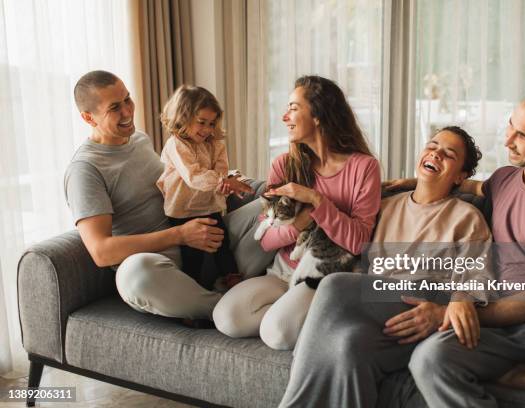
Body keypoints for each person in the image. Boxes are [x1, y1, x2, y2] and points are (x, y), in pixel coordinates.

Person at [390, 87, 525, 407]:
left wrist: (445, 311)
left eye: (523, 136)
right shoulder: (506, 178)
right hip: (499, 317)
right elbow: (468, 184)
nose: (508, 140)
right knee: (429, 358)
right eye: (511, 125)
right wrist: (410, 183)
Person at [279, 126, 493, 407]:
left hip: (418, 308)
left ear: (461, 176)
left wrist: (443, 308)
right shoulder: (386, 206)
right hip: (373, 312)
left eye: (448, 154)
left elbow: (476, 284)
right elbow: (350, 237)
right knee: (348, 346)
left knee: (334, 285)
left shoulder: (467, 217)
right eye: (432, 145)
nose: (436, 154)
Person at [63, 70, 253, 322]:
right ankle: (225, 308)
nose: (128, 112)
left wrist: (225, 182)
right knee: (135, 273)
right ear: (89, 117)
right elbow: (101, 252)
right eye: (115, 108)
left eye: (128, 99)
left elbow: (179, 184)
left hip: (199, 239)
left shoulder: (139, 140)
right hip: (158, 266)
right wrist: (180, 235)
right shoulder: (85, 169)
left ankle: (230, 291)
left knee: (264, 209)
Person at [212, 75, 382, 351]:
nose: (284, 116)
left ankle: (304, 315)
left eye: (293, 107)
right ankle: (315, 320)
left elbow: (358, 242)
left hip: (325, 276)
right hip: (281, 271)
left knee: (277, 334)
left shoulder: (364, 168)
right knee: (226, 318)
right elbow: (266, 239)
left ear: (317, 115)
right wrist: (300, 223)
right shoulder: (284, 165)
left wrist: (316, 199)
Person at [156, 85, 252, 291]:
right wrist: (221, 181)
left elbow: (222, 170)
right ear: (183, 116)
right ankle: (191, 296)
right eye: (201, 122)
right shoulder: (176, 144)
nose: (207, 129)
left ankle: (232, 280)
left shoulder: (215, 143)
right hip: (183, 209)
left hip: (209, 205)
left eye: (212, 123)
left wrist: (227, 182)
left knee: (222, 243)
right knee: (192, 257)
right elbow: (193, 176)